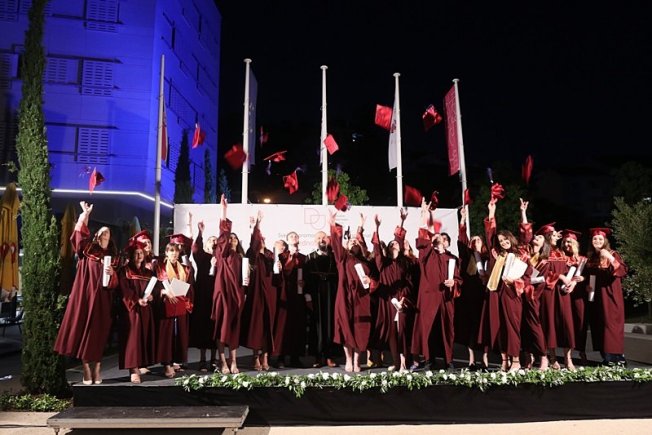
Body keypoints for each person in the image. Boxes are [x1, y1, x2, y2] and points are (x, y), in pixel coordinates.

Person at [54, 201, 119, 385]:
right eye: (102, 231)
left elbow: (117, 283)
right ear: (97, 235)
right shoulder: (88, 250)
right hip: (85, 297)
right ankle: (86, 368)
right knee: (84, 331)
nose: (104, 233)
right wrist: (85, 215)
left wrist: (113, 274)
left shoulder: (114, 258)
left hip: (103, 301)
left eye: (107, 232)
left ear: (110, 237)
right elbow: (78, 237)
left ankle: (97, 367)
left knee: (99, 333)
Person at [480, 198, 532, 372]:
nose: (503, 242)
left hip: (512, 293)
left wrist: (523, 213)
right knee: (499, 326)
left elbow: (526, 236)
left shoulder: (521, 252)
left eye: (505, 239)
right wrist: (491, 212)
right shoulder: (497, 253)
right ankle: (504, 361)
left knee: (512, 326)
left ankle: (516, 360)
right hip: (496, 293)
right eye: (501, 240)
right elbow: (490, 234)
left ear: (511, 238)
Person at [411, 198, 461, 371]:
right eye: (439, 237)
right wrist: (424, 215)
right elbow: (422, 237)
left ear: (448, 243)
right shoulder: (427, 255)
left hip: (445, 298)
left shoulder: (452, 259)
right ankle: (429, 359)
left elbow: (459, 279)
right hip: (428, 297)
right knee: (428, 328)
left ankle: (449, 360)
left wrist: (453, 282)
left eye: (444, 238)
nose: (441, 239)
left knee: (446, 329)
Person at [330, 209, 377, 372]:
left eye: (356, 243)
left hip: (361, 298)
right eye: (350, 242)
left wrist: (370, 282)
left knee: (360, 329)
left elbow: (374, 281)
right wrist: (333, 224)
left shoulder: (366, 262)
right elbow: (336, 244)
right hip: (344, 296)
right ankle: (348, 359)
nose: (353, 243)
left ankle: (357, 360)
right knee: (345, 327)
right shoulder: (342, 258)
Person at [371, 209, 414, 372]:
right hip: (388, 301)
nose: (394, 244)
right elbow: (376, 249)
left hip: (402, 300)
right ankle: (397, 363)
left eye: (396, 243)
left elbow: (409, 282)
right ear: (388, 249)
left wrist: (402, 221)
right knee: (391, 333)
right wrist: (376, 227)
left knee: (402, 331)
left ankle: (404, 363)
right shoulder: (383, 263)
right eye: (391, 244)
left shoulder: (405, 263)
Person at [211, 195, 247, 374]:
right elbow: (223, 234)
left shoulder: (241, 258)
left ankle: (233, 361)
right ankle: (223, 361)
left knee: (234, 328)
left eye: (234, 238)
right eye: (229, 238)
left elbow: (245, 279)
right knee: (222, 327)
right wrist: (223, 211)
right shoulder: (222, 254)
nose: (231, 240)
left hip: (236, 295)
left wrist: (244, 292)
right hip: (222, 294)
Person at [240, 210, 278, 371]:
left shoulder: (270, 256)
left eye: (262, 239)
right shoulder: (252, 255)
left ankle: (266, 356)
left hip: (270, 294)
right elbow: (253, 242)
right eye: (258, 238)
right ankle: (256, 356)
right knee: (256, 325)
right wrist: (257, 224)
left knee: (269, 325)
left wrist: (278, 266)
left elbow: (276, 275)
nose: (260, 240)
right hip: (256, 294)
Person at [584, 227, 628, 365]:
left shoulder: (613, 254)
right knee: (599, 324)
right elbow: (589, 277)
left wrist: (609, 257)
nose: (597, 241)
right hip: (596, 297)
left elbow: (622, 271)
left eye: (600, 239)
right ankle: (606, 356)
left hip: (611, 295)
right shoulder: (591, 258)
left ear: (605, 241)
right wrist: (587, 285)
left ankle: (618, 357)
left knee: (612, 324)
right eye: (594, 238)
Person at [454, 206, 488, 370]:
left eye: (478, 240)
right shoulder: (466, 256)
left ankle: (485, 360)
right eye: (473, 241)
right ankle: (471, 360)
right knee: (469, 327)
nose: (475, 242)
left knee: (483, 326)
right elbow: (462, 240)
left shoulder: (487, 257)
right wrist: (462, 219)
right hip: (468, 295)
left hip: (483, 295)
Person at [153, 242, 194, 378]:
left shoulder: (185, 269)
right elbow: (155, 285)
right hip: (166, 304)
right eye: (171, 251)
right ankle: (167, 364)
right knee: (166, 335)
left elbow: (190, 287)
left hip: (180, 304)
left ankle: (175, 360)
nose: (174, 253)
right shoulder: (160, 268)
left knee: (179, 335)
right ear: (166, 253)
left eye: (176, 251)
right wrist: (164, 292)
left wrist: (186, 300)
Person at [117, 240, 155, 383]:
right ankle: (133, 369)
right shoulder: (125, 271)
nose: (139, 255)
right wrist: (136, 300)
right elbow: (124, 290)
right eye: (136, 253)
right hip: (131, 309)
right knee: (132, 339)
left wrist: (151, 297)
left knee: (143, 337)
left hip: (145, 309)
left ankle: (141, 365)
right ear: (131, 255)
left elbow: (154, 289)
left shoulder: (149, 272)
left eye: (141, 253)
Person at [305, 230, 339, 368]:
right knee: (317, 325)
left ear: (328, 240)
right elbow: (306, 278)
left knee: (331, 324)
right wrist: (308, 296)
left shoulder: (334, 257)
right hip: (316, 295)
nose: (321, 240)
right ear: (315, 241)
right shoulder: (310, 257)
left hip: (331, 295)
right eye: (318, 238)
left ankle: (330, 355)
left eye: (324, 237)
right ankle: (318, 356)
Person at [275, 231, 307, 368]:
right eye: (291, 236)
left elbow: (307, 275)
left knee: (298, 326)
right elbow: (282, 273)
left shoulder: (304, 258)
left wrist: (305, 283)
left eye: (296, 236)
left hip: (299, 295)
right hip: (285, 294)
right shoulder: (281, 256)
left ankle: (295, 357)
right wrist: (291, 257)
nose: (294, 237)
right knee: (283, 326)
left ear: (299, 239)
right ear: (287, 241)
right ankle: (281, 357)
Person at [190, 221, 218, 372]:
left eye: (216, 240)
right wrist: (200, 233)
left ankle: (214, 360)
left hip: (216, 296)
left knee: (214, 328)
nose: (214, 242)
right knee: (203, 327)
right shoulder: (202, 257)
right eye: (211, 240)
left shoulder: (220, 259)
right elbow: (195, 249)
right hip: (202, 296)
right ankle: (202, 360)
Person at [561, 229, 589, 365]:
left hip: (579, 295)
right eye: (565, 242)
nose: (567, 244)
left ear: (576, 244)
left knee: (580, 321)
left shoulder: (583, 260)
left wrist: (583, 278)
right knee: (567, 323)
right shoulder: (560, 258)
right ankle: (567, 355)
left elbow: (590, 276)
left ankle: (581, 350)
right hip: (563, 293)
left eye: (570, 242)